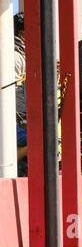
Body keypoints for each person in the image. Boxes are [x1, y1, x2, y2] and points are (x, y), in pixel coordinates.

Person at [14, 13, 28, 175]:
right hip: (17, 117)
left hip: (19, 116)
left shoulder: (21, 53)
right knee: (36, 139)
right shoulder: (17, 56)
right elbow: (16, 90)